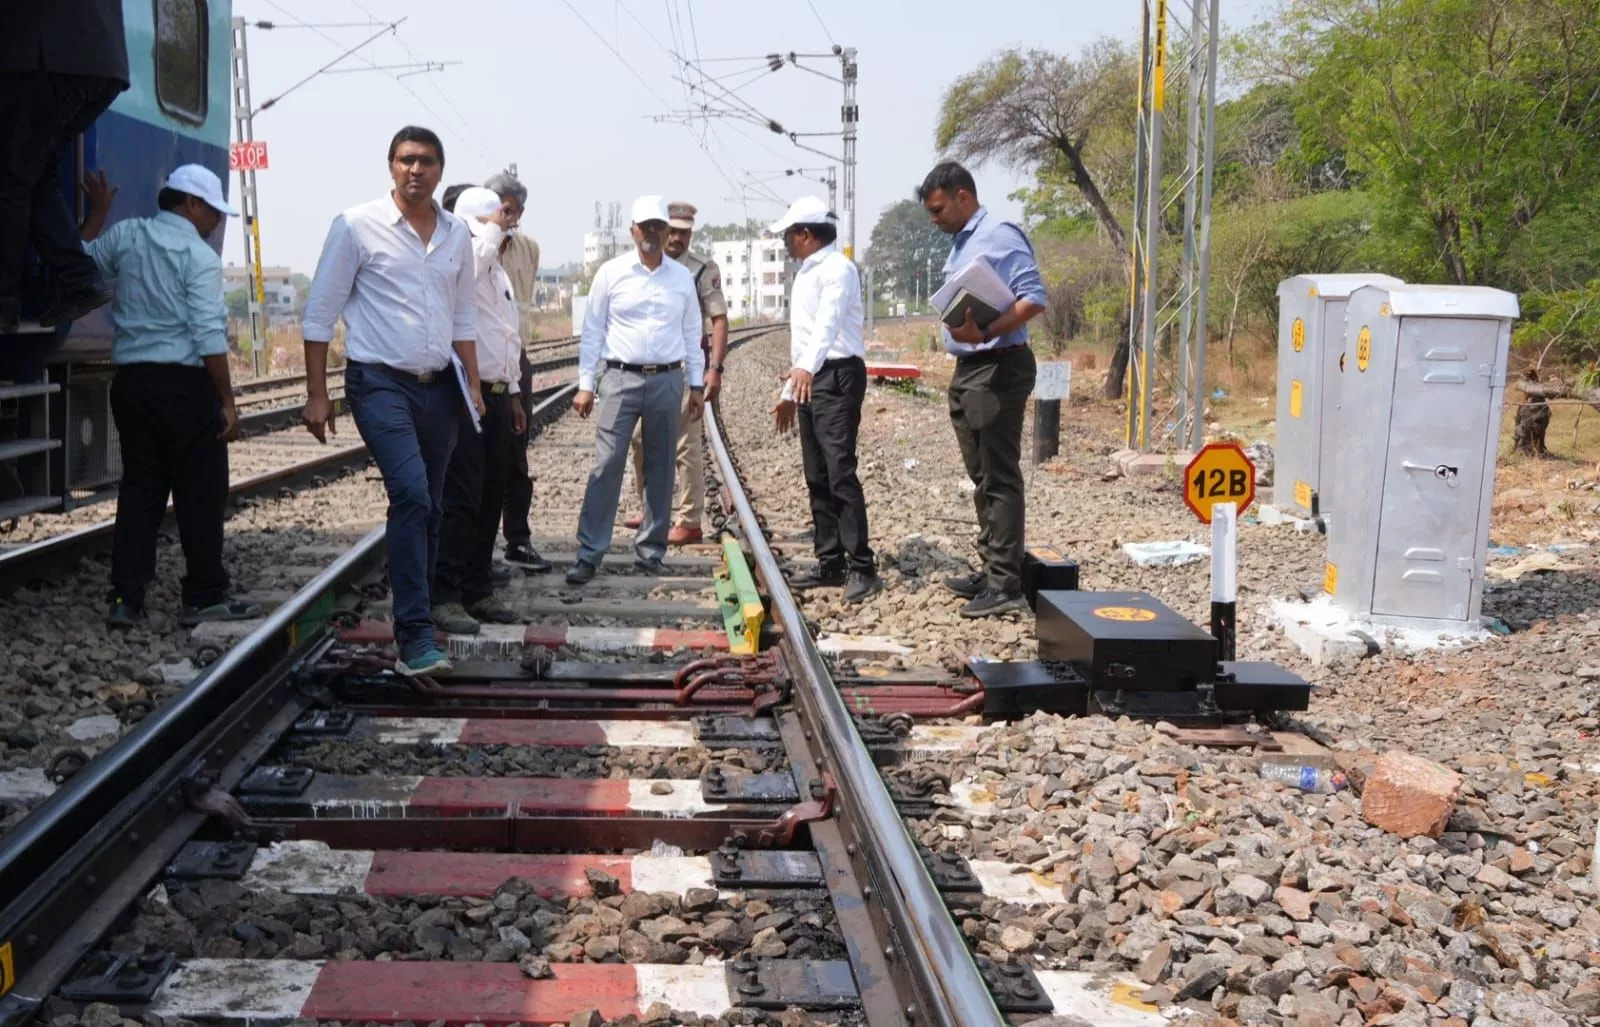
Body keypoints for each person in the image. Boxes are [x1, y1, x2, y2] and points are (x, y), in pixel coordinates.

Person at [301, 125, 485, 677]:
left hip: (440, 388)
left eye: (426, 161)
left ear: (440, 171)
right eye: (406, 160)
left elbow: (464, 318)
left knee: (429, 506)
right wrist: (317, 393)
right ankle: (414, 638)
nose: (416, 170)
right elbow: (318, 314)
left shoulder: (457, 236)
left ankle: (420, 613)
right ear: (390, 167)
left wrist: (473, 384)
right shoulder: (357, 226)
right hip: (379, 382)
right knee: (411, 496)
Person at [79, 164, 263, 628]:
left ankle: (126, 599)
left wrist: (98, 213)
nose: (217, 222)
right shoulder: (199, 258)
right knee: (201, 491)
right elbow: (208, 335)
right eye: (214, 211)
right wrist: (227, 400)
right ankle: (203, 596)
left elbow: (80, 261)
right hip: (184, 386)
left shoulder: (126, 236)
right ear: (192, 204)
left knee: (141, 488)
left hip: (133, 383)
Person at [918, 161, 1047, 619]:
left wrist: (988, 329)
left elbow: (1033, 297)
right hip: (971, 369)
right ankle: (992, 567)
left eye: (938, 210)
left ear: (962, 197)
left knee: (999, 475)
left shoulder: (1000, 233)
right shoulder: (963, 243)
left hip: (998, 366)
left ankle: (1004, 583)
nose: (934, 220)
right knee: (982, 475)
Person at [567, 195, 704, 585]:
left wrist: (696, 383)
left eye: (659, 227)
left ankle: (650, 551)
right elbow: (593, 330)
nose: (652, 234)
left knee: (661, 467)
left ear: (666, 231)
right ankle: (590, 552)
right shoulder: (611, 273)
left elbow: (692, 332)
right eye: (645, 227)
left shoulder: (680, 278)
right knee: (607, 464)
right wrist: (585, 384)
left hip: (667, 380)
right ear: (632, 230)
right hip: (619, 378)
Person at [769, 196, 882, 605]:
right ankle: (830, 560)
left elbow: (827, 326)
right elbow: (804, 342)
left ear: (805, 233)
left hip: (836, 375)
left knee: (840, 471)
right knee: (816, 472)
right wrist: (790, 390)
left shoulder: (838, 269)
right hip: (813, 376)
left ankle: (862, 566)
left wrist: (805, 373)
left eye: (788, 234)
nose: (785, 241)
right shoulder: (806, 273)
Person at [429, 187, 527, 634]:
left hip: (498, 392)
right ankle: (445, 593)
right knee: (462, 495)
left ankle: (477, 586)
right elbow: (469, 274)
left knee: (491, 493)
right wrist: (490, 228)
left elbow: (506, 333)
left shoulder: (498, 266)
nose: (505, 220)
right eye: (496, 213)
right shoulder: (466, 252)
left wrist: (516, 393)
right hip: (467, 391)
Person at [0, 1, 130, 331]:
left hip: (46, 55)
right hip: (105, 64)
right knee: (36, 172)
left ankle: (4, 301)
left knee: (11, 179)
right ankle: (81, 281)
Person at [623, 201, 727, 544]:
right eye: (675, 230)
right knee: (639, 439)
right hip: (647, 368)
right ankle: (652, 508)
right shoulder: (644, 264)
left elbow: (718, 319)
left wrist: (714, 369)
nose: (678, 238)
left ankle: (689, 520)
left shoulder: (699, 269)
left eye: (685, 232)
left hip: (684, 367)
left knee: (685, 445)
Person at [485, 172, 551, 571]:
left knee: (516, 452)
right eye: (495, 204)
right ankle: (477, 546)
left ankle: (517, 538)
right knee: (477, 460)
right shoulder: (471, 242)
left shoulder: (528, 248)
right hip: (477, 362)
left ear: (520, 212)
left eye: (508, 207)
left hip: (516, 360)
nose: (501, 213)